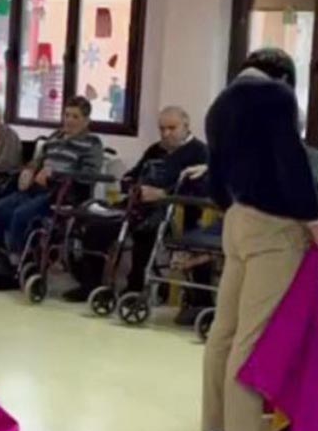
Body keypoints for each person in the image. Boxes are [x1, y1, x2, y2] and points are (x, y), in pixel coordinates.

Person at [200, 48, 318, 431]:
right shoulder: (276, 97)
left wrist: (237, 208)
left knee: (224, 331)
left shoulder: (221, 103)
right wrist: (316, 223)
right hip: (275, 228)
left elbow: (216, 177)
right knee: (252, 336)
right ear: (285, 76)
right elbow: (290, 162)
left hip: (236, 220)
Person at [65, 106, 210, 315]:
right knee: (97, 225)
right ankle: (92, 284)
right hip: (138, 204)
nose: (166, 134)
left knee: (146, 231)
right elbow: (132, 175)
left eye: (172, 128)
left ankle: (135, 287)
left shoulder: (199, 152)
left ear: (186, 126)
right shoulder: (155, 150)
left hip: (174, 209)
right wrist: (132, 186)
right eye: (162, 129)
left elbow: (201, 189)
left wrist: (163, 194)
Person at [0, 96, 103, 264]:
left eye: (75, 116)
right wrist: (29, 170)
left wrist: (54, 175)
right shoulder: (55, 136)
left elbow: (88, 175)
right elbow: (38, 160)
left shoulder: (92, 143)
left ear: (86, 121)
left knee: (20, 215)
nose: (69, 120)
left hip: (63, 193)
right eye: (67, 115)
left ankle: (17, 260)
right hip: (37, 187)